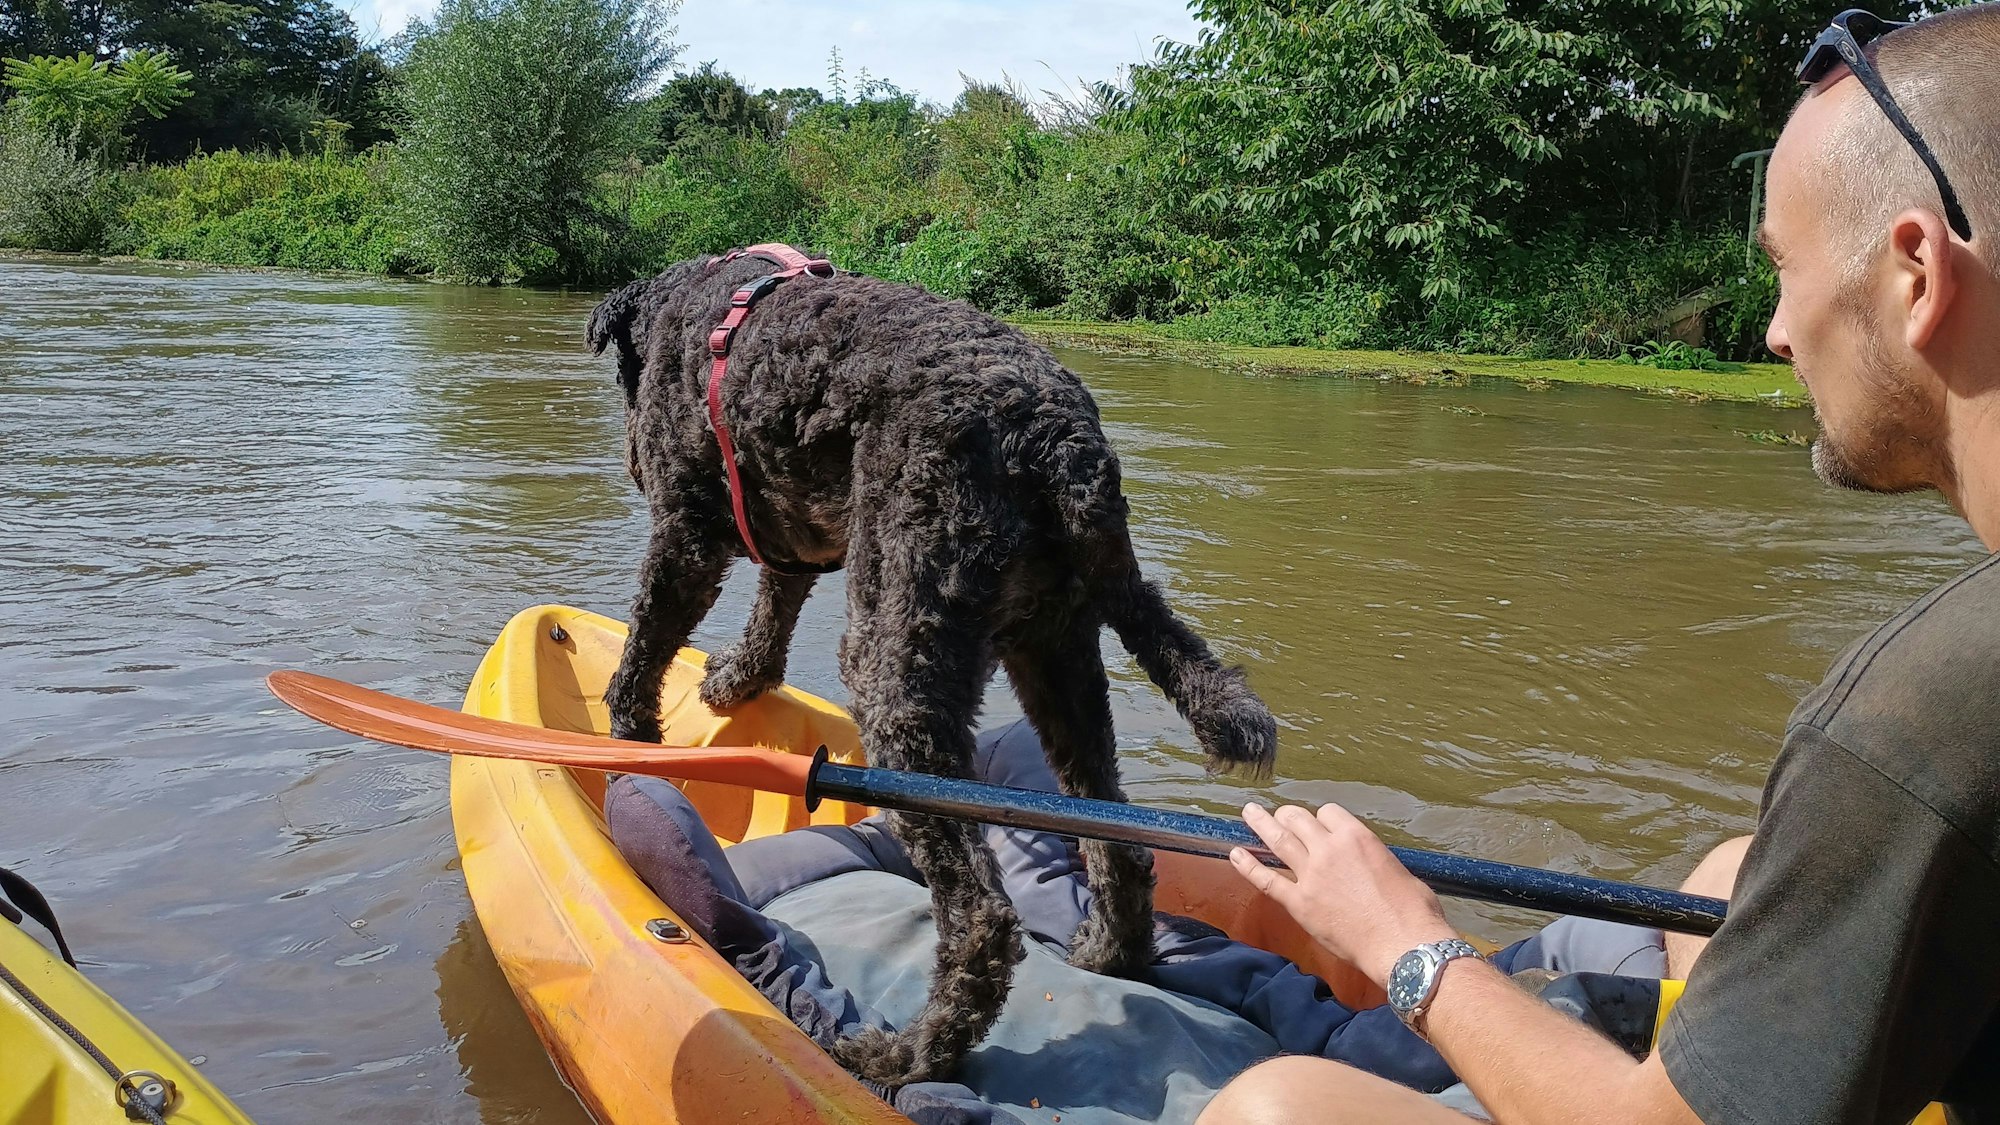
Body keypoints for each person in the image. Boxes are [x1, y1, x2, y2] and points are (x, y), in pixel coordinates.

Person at [1199, 6, 2000, 1123]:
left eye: (1784, 268)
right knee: (1730, 873)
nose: (1776, 331)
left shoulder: (1928, 713)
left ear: (1915, 272)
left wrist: (1404, 943)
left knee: (1277, 1107)